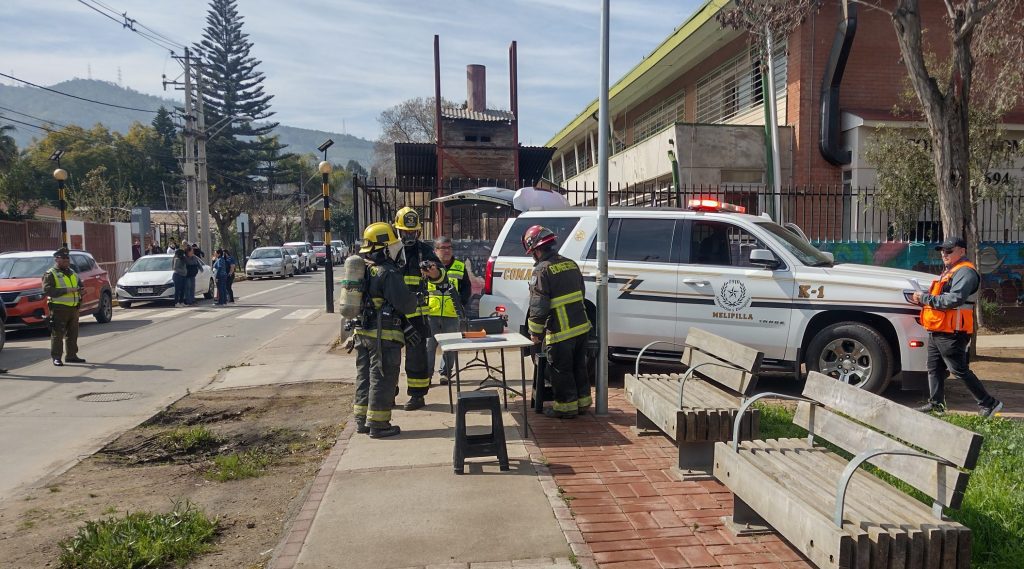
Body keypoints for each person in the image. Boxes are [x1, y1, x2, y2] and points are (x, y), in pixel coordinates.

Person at [912, 237, 1003, 417]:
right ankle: (936, 405)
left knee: (958, 369)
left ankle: (989, 403)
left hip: (953, 331)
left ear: (962, 251)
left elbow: (954, 299)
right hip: (940, 328)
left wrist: (924, 298)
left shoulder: (965, 272)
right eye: (942, 250)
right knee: (934, 367)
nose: (944, 254)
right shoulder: (951, 271)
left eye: (949, 250)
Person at [352, 222, 420, 438]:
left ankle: (361, 421)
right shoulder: (387, 272)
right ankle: (379, 425)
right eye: (391, 246)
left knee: (364, 377)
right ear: (383, 248)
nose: (395, 249)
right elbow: (406, 305)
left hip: (362, 333)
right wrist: (414, 298)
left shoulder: (364, 268)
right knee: (382, 377)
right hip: (384, 336)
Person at [524, 225, 592, 419]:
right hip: (581, 326)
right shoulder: (571, 264)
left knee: (561, 370)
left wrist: (535, 333)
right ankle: (583, 403)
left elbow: (538, 305)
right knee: (579, 367)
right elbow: (582, 293)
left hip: (561, 331)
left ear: (536, 250)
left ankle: (566, 408)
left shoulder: (542, 270)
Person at [393, 206, 443, 411]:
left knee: (417, 356)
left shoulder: (425, 250)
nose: (410, 236)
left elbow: (442, 278)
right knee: (390, 357)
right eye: (406, 232)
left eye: (413, 232)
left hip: (417, 315)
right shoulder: (390, 251)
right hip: (394, 313)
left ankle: (417, 396)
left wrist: (434, 273)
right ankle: (388, 394)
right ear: (397, 230)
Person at [426, 236, 471, 384]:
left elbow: (466, 288)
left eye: (449, 247)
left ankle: (445, 374)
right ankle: (427, 375)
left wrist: (461, 303)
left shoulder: (459, 266)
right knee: (429, 347)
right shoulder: (429, 268)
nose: (447, 251)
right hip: (431, 313)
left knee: (450, 347)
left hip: (452, 314)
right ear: (435, 250)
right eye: (443, 248)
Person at [42, 248, 86, 366]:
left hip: (73, 308)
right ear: (57, 259)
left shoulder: (72, 272)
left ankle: (71, 355)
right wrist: (67, 290)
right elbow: (47, 290)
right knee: (58, 334)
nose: (67, 260)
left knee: (73, 333)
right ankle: (56, 357)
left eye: (67, 258)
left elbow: (80, 285)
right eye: (64, 258)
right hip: (58, 308)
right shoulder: (51, 273)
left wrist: (82, 291)